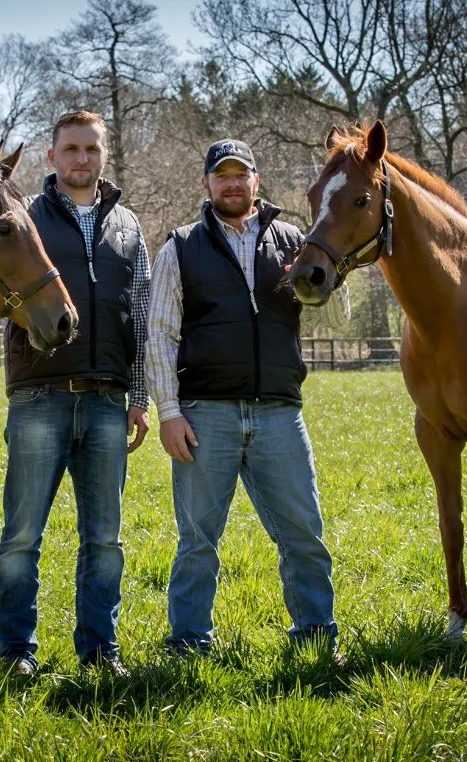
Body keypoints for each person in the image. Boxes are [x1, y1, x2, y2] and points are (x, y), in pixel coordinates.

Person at [145, 138, 339, 658]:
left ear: (257, 180)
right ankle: (188, 643)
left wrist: (327, 275)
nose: (232, 183)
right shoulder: (180, 246)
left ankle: (317, 637)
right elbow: (160, 333)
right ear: (206, 184)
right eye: (222, 175)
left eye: (242, 174)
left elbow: (328, 313)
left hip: (278, 413)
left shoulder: (294, 240)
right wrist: (168, 412)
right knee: (198, 542)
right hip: (206, 414)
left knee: (304, 534)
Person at [0, 111, 151, 677]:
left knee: (104, 539)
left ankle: (100, 652)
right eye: (71, 149)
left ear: (104, 155)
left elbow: (141, 316)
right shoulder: (24, 218)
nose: (82, 159)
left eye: (91, 149)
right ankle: (14, 652)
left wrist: (138, 396)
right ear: (52, 158)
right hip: (40, 396)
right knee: (22, 534)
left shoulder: (128, 226)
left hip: (108, 402)